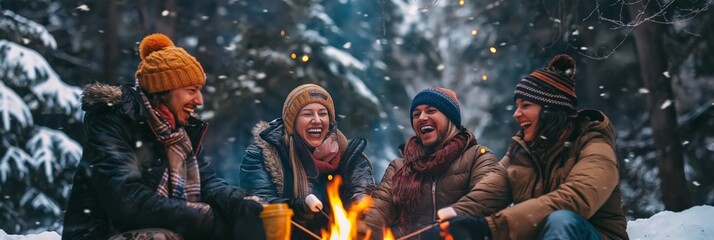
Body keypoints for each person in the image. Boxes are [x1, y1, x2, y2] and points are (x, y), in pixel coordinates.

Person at [63, 33, 265, 240]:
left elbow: (208, 184)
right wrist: (204, 218)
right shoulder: (113, 120)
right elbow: (126, 200)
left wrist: (243, 203)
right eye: (192, 90)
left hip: (154, 228)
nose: (199, 100)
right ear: (163, 89)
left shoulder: (181, 132)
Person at [438, 54, 628, 240]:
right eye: (516, 106)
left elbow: (574, 199)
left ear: (550, 110)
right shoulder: (520, 152)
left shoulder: (594, 145)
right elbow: (483, 197)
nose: (516, 114)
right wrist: (445, 222)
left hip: (592, 235)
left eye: (525, 105)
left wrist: (489, 228)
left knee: (562, 220)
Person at [358, 87, 499, 239]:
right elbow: (377, 212)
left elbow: (485, 200)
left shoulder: (478, 157)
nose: (422, 117)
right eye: (416, 114)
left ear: (450, 118)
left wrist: (442, 225)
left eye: (431, 111)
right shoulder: (399, 167)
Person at [239, 83, 376, 239]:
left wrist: (359, 215)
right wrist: (299, 207)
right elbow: (258, 203)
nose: (317, 120)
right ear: (292, 121)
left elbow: (362, 193)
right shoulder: (262, 152)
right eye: (308, 114)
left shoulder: (349, 155)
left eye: (323, 113)